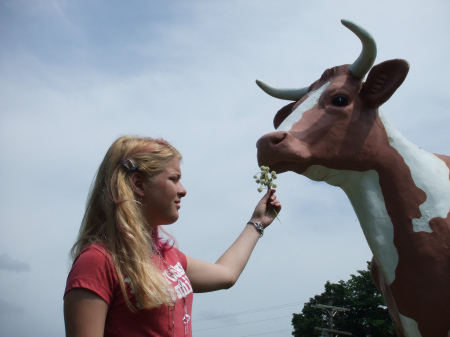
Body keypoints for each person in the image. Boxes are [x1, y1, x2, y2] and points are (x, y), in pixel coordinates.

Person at [64, 135, 281, 337]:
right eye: (174, 179)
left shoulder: (168, 257)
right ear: (138, 184)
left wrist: (257, 222)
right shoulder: (97, 261)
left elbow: (226, 274)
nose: (183, 190)